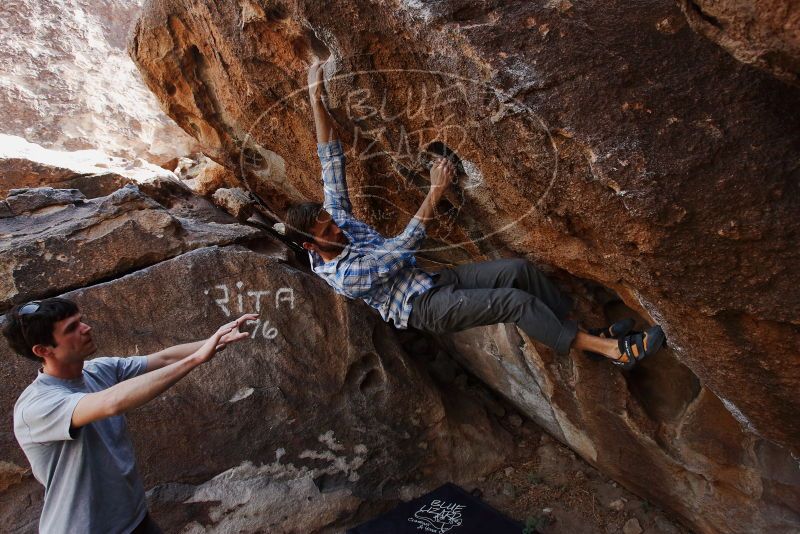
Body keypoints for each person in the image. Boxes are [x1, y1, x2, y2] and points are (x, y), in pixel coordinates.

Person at [285, 59, 665, 369]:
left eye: (331, 219)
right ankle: (615, 352)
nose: (338, 226)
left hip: (433, 280)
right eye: (329, 230)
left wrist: (316, 101)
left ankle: (588, 333)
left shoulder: (333, 218)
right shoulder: (345, 277)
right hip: (423, 307)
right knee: (515, 303)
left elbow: (330, 160)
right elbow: (403, 248)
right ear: (311, 246)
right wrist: (435, 191)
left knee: (519, 271)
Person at [2, 297, 256, 534]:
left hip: (135, 519)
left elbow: (164, 358)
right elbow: (112, 402)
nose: (86, 328)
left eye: (80, 320)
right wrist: (196, 359)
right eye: (71, 328)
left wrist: (218, 339)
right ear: (42, 350)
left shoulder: (97, 370)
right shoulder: (37, 406)